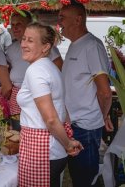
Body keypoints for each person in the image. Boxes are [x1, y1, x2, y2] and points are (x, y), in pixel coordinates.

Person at [17, 22, 83, 187]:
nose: (23, 44)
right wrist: (67, 138)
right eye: (24, 39)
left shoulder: (36, 71)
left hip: (41, 150)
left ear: (45, 47)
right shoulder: (51, 67)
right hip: (53, 150)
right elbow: (63, 109)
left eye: (30, 41)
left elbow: (51, 119)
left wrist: (68, 144)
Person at [58, 1, 113, 187]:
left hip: (85, 128)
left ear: (78, 19)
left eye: (62, 18)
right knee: (77, 177)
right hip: (73, 125)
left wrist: (102, 116)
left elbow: (105, 92)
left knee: (85, 180)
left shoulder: (92, 46)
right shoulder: (75, 44)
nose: (59, 23)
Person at [6, 11, 64, 121]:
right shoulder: (10, 49)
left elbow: (59, 71)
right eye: (13, 25)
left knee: (38, 124)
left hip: (41, 95)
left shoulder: (46, 48)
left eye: (19, 24)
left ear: (29, 25)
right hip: (17, 96)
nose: (15, 28)